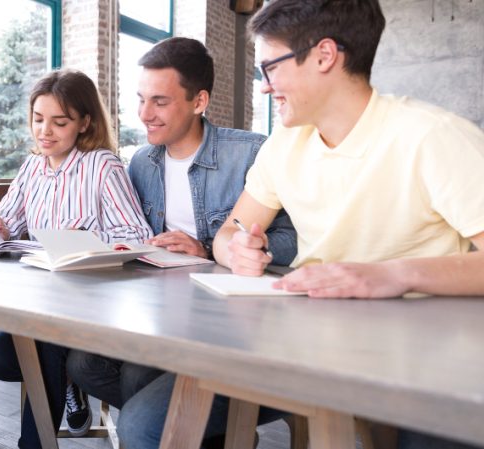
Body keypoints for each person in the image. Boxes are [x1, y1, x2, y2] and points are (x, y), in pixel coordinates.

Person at [124, 1, 484, 448]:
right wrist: (235, 248)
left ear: (324, 55)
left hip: (417, 357)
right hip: (302, 344)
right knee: (146, 425)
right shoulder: (284, 146)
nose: (263, 88)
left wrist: (393, 274)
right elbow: (229, 233)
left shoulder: (432, 136)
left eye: (270, 68)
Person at [66, 37, 296, 448]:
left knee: (139, 381)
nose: (144, 114)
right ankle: (199, 431)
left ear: (199, 101)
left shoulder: (250, 153)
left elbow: (292, 240)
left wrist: (208, 248)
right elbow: (133, 236)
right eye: (140, 99)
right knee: (83, 363)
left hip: (228, 320)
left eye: (159, 101)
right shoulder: (142, 162)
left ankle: (177, 429)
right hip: (161, 312)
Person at [0, 68, 153, 449]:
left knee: (46, 346)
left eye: (59, 122)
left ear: (84, 122)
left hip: (89, 301)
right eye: (38, 120)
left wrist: (86, 243)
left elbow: (136, 237)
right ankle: (68, 382)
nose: (45, 131)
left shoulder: (102, 165)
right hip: (42, 298)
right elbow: (5, 226)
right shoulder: (32, 168)